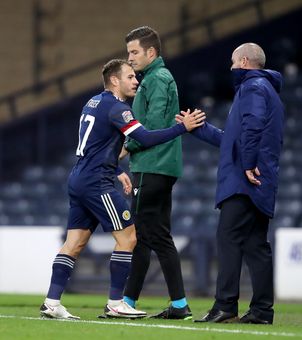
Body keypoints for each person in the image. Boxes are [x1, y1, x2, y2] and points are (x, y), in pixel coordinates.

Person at [39, 59, 205, 320]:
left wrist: (117, 169)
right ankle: (116, 303)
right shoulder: (117, 108)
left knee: (74, 242)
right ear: (114, 80)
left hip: (80, 177)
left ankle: (52, 302)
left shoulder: (92, 102)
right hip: (96, 182)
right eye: (129, 77)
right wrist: (181, 128)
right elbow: (146, 138)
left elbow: (95, 143)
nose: (136, 81)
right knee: (128, 238)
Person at [178, 43, 284, 324]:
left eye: (233, 62)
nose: (231, 67)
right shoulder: (265, 89)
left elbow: (253, 126)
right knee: (256, 246)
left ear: (245, 61)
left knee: (228, 240)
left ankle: (225, 306)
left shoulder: (252, 88)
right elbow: (235, 138)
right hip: (260, 179)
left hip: (244, 179)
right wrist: (199, 128)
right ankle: (262, 311)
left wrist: (248, 164)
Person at [119, 26, 192, 320]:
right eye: (128, 53)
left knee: (144, 235)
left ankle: (138, 301)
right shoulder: (155, 78)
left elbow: (155, 122)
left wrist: (126, 145)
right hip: (158, 165)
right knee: (152, 236)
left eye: (134, 52)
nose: (130, 58)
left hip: (152, 164)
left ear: (151, 52)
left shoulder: (157, 79)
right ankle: (162, 303)